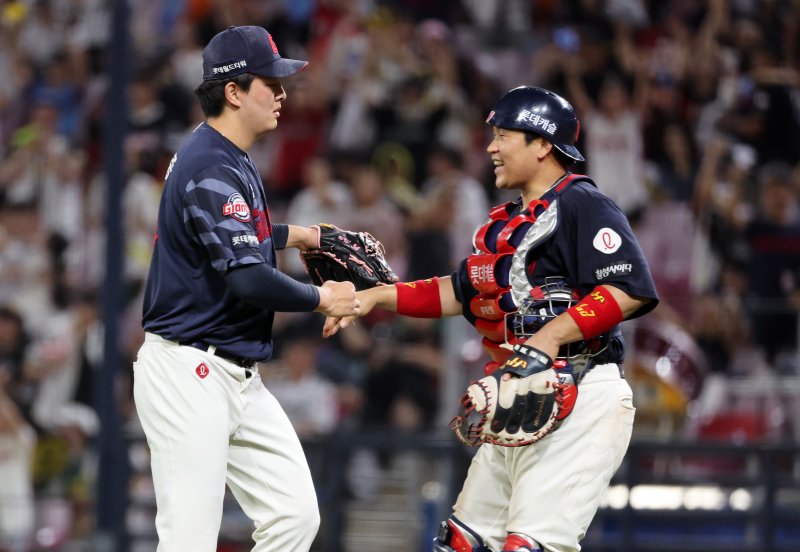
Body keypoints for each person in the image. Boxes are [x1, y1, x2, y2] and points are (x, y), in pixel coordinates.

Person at [325, 86, 659, 552]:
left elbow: (630, 289)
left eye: (504, 136)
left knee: (530, 546)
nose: (491, 147)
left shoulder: (584, 203)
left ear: (543, 145)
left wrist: (550, 335)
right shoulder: (507, 223)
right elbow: (457, 291)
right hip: (524, 398)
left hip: (584, 392)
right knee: (464, 543)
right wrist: (373, 296)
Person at [133, 25, 360, 552]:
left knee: (294, 516)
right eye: (269, 82)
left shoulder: (225, 153)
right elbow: (248, 277)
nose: (281, 92)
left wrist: (297, 234)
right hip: (188, 372)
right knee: (188, 540)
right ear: (233, 91)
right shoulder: (209, 162)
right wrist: (323, 297)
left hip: (235, 373)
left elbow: (234, 238)